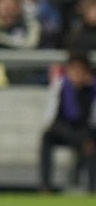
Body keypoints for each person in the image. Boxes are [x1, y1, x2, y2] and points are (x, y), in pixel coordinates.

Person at [38, 50, 96, 193]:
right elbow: (50, 117)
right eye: (73, 69)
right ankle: (46, 187)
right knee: (47, 136)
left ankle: (92, 187)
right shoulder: (61, 85)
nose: (76, 74)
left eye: (80, 70)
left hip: (85, 129)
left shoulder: (92, 89)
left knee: (90, 142)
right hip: (62, 129)